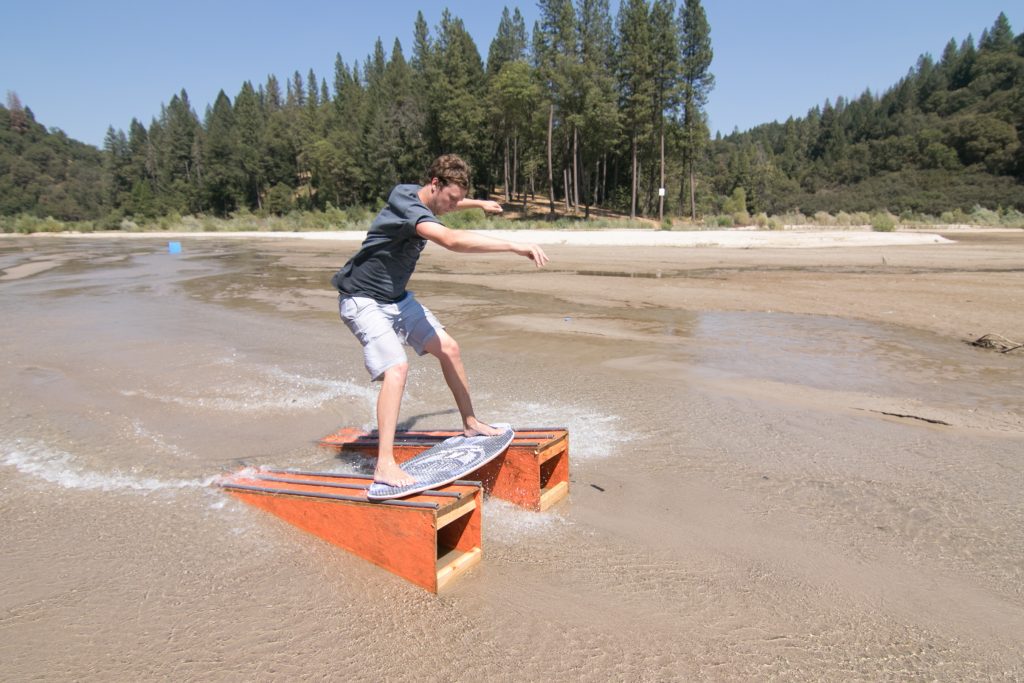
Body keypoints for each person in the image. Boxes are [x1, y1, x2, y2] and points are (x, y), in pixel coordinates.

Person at [332, 154, 549, 486]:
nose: (452, 206)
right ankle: (385, 465)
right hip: (361, 299)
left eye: (458, 200)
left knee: (449, 348)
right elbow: (451, 241)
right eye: (451, 199)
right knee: (397, 367)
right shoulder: (410, 209)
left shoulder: (419, 194)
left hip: (395, 299)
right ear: (434, 185)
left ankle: (471, 422)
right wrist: (513, 246)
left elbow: (447, 200)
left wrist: (476, 204)